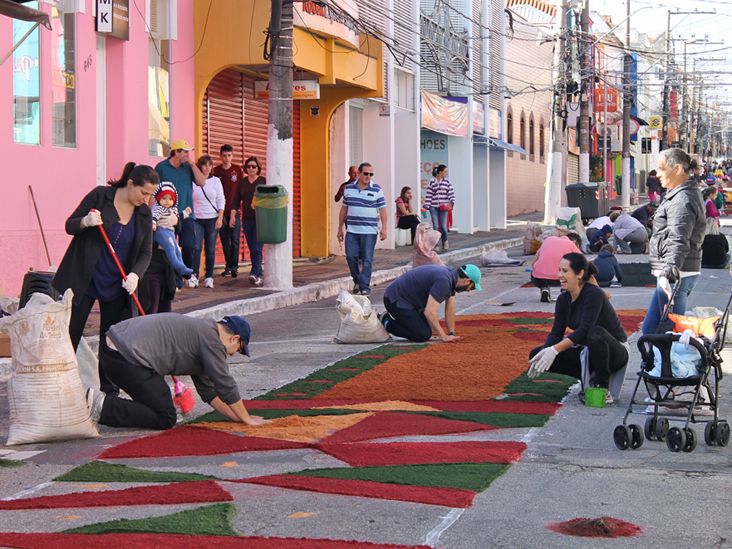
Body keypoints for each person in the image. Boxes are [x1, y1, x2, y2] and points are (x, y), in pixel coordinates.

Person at [52, 162, 158, 393]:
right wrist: (85, 222)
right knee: (70, 333)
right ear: (131, 184)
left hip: (117, 283)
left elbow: (145, 252)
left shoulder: (143, 213)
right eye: (144, 192)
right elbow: (70, 225)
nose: (146, 198)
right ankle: (60, 387)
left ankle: (108, 393)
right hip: (85, 278)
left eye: (151, 194)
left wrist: (135, 275)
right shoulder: (101, 197)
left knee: (110, 342)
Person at [86, 314, 267, 430]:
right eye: (238, 349)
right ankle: (103, 406)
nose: (233, 354)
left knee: (161, 404)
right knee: (165, 416)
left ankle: (103, 405)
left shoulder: (205, 333)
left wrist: (236, 418)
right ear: (234, 338)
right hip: (124, 358)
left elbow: (209, 392)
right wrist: (246, 419)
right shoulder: (212, 341)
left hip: (114, 351)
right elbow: (226, 384)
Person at [527, 253, 629, 405]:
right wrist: (547, 351)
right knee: (536, 353)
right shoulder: (563, 299)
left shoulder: (594, 294)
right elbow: (556, 332)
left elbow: (584, 330)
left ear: (580, 274)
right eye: (559, 270)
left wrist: (555, 350)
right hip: (589, 351)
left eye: (565, 271)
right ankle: (587, 378)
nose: (559, 275)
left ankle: (602, 386)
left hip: (615, 352)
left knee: (596, 332)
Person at [642, 148, 706, 334]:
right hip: (674, 272)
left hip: (676, 274)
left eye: (662, 169)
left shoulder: (682, 199)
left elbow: (679, 239)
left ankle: (666, 363)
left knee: (667, 335)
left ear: (677, 169)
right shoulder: (680, 194)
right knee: (651, 332)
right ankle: (658, 362)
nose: (658, 175)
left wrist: (668, 273)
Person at [380, 264, 482, 343]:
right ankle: (386, 321)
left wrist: (452, 332)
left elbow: (449, 310)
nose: (469, 291)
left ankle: (401, 320)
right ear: (467, 281)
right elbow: (429, 311)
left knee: (428, 328)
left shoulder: (451, 276)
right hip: (395, 300)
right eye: (472, 287)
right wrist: (443, 336)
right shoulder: (444, 281)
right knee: (422, 335)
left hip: (410, 302)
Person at [155, 139, 206, 274]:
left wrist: (193, 165)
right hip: (167, 215)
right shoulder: (161, 167)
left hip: (186, 213)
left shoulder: (188, 167)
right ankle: (174, 279)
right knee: (169, 247)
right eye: (184, 152)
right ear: (176, 152)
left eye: (188, 152)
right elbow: (154, 190)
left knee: (189, 246)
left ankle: (186, 273)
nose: (187, 155)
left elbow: (202, 182)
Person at [337, 162, 387, 296]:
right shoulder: (348, 188)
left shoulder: (377, 189)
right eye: (366, 174)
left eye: (371, 174)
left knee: (367, 259)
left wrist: (384, 228)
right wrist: (339, 228)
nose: (368, 176)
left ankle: (364, 286)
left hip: (369, 232)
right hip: (352, 231)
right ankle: (358, 280)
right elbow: (344, 209)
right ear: (359, 173)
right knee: (351, 257)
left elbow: (382, 210)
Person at [231, 156, 265, 286]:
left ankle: (254, 273)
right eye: (249, 166)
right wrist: (233, 216)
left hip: (261, 220)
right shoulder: (242, 182)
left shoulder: (263, 182)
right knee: (252, 248)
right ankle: (258, 274)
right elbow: (235, 201)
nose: (251, 169)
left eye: (254, 166)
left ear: (258, 168)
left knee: (257, 247)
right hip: (246, 219)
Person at [192, 155, 225, 289]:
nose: (207, 168)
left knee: (210, 249)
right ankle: (194, 275)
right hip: (197, 219)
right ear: (200, 166)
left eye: (210, 165)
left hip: (212, 218)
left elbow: (221, 199)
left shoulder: (216, 181)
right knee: (196, 247)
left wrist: (220, 217)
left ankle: (209, 277)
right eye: (204, 165)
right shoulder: (193, 180)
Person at [151, 183, 194, 279]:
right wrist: (153, 223)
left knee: (177, 249)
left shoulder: (173, 209)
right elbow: (154, 216)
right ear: (158, 198)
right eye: (164, 198)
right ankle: (178, 266)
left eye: (170, 199)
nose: (167, 201)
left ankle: (182, 267)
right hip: (162, 230)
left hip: (170, 231)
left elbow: (179, 217)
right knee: (170, 247)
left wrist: (186, 212)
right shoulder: (159, 208)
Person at [214, 144, 244, 278]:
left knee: (235, 239)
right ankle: (228, 265)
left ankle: (235, 267)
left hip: (235, 210)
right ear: (220, 156)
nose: (227, 158)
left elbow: (241, 191)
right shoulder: (216, 171)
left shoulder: (237, 170)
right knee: (224, 240)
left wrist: (237, 209)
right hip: (221, 212)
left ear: (232, 156)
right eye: (224, 156)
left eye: (229, 155)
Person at [529, 232, 581, 302]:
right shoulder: (571, 244)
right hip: (560, 279)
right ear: (576, 243)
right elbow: (582, 262)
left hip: (539, 278)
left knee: (536, 272)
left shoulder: (548, 240)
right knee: (575, 271)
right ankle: (565, 291)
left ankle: (544, 289)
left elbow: (533, 262)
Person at [423, 164, 455, 250]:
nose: (446, 173)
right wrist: (426, 206)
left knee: (443, 226)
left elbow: (451, 193)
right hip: (433, 206)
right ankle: (435, 244)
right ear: (440, 172)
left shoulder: (447, 182)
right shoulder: (432, 181)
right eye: (445, 171)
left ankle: (445, 241)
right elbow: (429, 194)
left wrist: (451, 203)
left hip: (443, 207)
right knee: (435, 226)